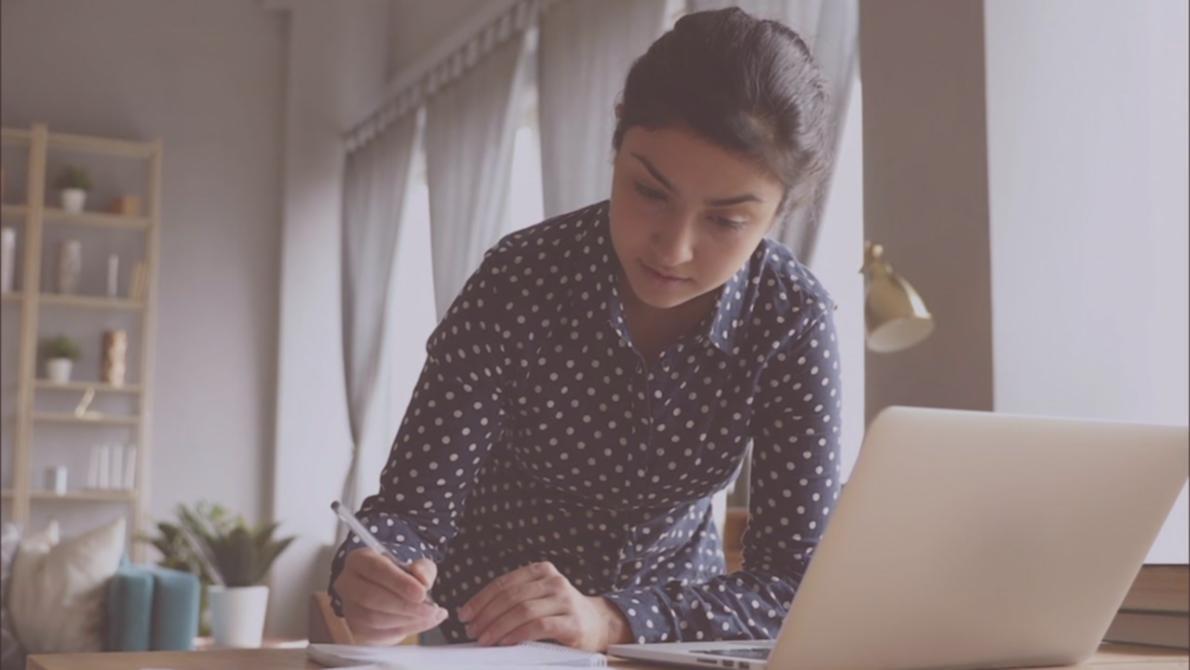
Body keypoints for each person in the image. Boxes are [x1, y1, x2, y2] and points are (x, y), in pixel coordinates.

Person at [328, 6, 842, 652]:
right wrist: (372, 574)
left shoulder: (792, 319)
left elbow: (792, 585)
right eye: (649, 192)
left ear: (779, 213)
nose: (674, 249)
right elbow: (409, 512)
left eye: (726, 221)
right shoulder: (520, 279)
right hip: (489, 647)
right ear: (618, 137)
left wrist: (611, 619)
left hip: (670, 651)